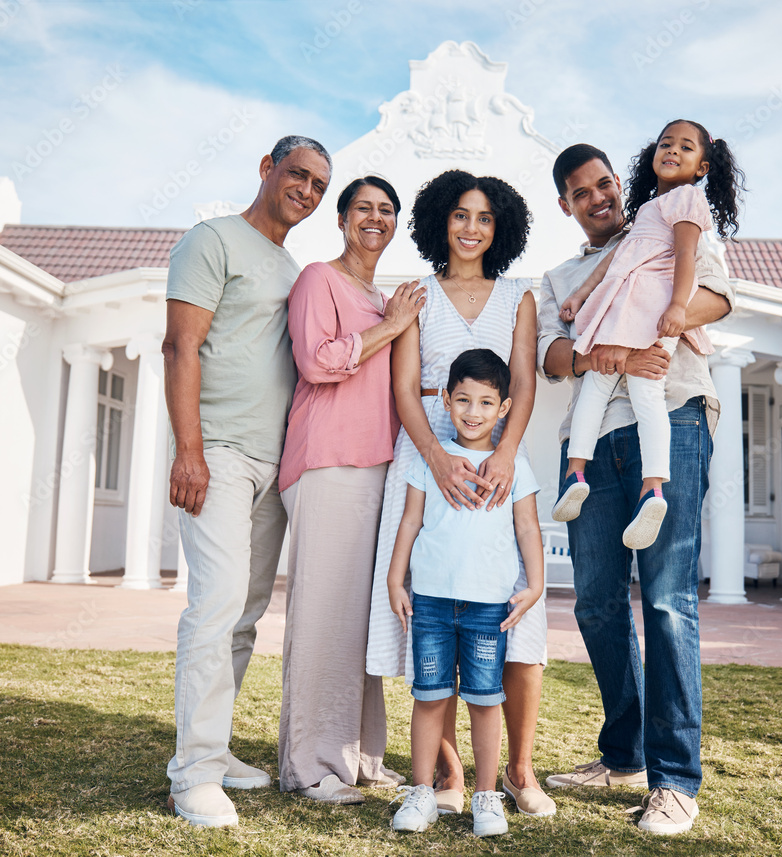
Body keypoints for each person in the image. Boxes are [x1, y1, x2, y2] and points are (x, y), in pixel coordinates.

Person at [537, 140, 735, 835]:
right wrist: (601, 353)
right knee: (595, 603)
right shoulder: (559, 276)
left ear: (618, 185)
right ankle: (622, 754)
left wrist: (666, 322)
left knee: (668, 600)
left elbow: (715, 294)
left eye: (605, 183)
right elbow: (549, 356)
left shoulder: (667, 222)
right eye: (582, 192)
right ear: (567, 204)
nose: (600, 197)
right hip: (591, 445)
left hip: (672, 414)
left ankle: (674, 779)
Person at [366, 170, 555, 818]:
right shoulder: (417, 293)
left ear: (500, 227)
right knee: (432, 622)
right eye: (460, 215)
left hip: (497, 465)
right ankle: (445, 773)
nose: (471, 228)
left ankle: (517, 771)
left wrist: (503, 452)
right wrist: (438, 456)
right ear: (440, 220)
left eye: (484, 217)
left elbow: (524, 384)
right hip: (426, 459)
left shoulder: (518, 298)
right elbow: (404, 386)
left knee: (511, 623)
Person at [163, 135, 332, 827]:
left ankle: (218, 746)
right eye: (298, 174)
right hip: (219, 454)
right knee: (216, 602)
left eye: (320, 184)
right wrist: (190, 450)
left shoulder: (294, 268)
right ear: (267, 169)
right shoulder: (212, 240)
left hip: (275, 464)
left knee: (244, 612)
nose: (308, 190)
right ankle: (194, 773)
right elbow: (180, 344)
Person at [278, 176, 426, 803]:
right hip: (328, 464)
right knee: (324, 621)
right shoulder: (320, 278)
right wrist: (392, 328)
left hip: (378, 470)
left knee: (362, 622)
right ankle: (312, 766)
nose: (375, 218)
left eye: (386, 210)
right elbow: (318, 361)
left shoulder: (384, 297)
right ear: (341, 219)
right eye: (363, 208)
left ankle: (361, 758)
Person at [553, 120, 744, 553]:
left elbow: (697, 273)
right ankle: (588, 478)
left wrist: (671, 311)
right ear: (565, 205)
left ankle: (634, 484)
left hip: (654, 345)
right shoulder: (644, 215)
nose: (673, 150)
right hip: (614, 327)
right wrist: (580, 294)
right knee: (596, 397)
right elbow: (613, 264)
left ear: (703, 166)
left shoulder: (688, 201)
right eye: (666, 143)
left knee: (644, 399)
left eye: (685, 147)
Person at [387, 349, 544, 838]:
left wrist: (536, 585)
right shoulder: (428, 462)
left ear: (503, 408)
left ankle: (486, 797)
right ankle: (420, 793)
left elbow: (527, 527)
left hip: (487, 607)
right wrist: (396, 579)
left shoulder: (514, 464)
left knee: (484, 699)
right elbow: (410, 520)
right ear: (444, 399)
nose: (472, 412)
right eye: (462, 400)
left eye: (484, 402)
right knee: (430, 697)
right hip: (431, 603)